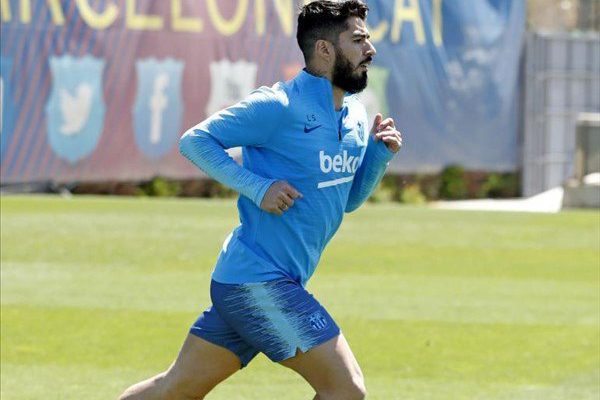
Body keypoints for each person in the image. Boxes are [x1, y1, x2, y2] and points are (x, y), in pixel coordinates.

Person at [119, 1, 402, 399]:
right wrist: (257, 187)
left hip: (250, 281)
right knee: (346, 389)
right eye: (358, 40)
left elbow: (347, 200)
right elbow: (195, 142)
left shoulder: (355, 116)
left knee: (173, 391)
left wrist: (378, 157)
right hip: (257, 282)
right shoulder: (278, 105)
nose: (369, 49)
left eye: (367, 39)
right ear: (324, 49)